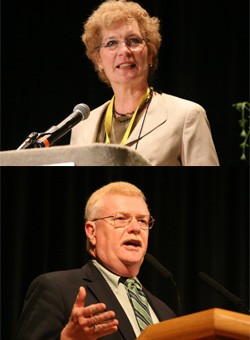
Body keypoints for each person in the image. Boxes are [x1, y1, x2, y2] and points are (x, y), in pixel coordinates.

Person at [17, 181, 176, 339]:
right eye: (120, 218)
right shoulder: (56, 289)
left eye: (142, 221)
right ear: (92, 232)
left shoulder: (166, 313)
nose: (135, 228)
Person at [70, 0, 219, 166]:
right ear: (98, 59)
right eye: (111, 43)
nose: (124, 51)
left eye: (134, 41)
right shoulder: (82, 126)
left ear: (150, 54)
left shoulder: (187, 116)